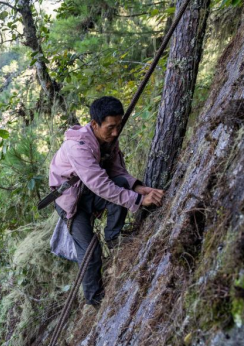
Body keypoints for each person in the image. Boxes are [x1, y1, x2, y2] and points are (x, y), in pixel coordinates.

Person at [48, 96, 164, 308]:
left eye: (118, 126)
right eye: (110, 127)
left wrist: (136, 186)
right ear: (94, 124)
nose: (116, 132)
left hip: (87, 192)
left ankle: (114, 238)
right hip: (71, 202)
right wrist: (138, 199)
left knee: (121, 183)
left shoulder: (107, 138)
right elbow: (101, 185)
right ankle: (96, 299)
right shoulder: (78, 148)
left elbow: (116, 171)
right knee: (90, 251)